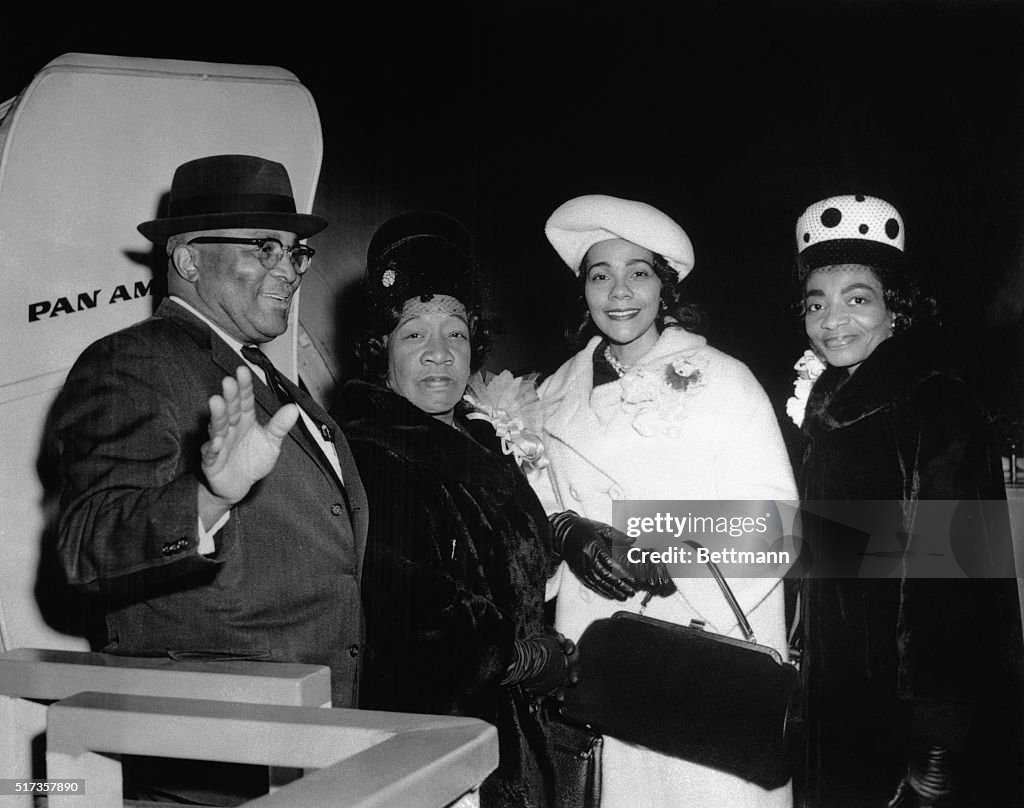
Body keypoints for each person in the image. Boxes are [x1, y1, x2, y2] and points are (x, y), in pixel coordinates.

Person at [54, 154, 368, 803]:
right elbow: (86, 545)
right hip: (208, 767)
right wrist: (210, 495)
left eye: (295, 251)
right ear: (189, 257)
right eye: (264, 247)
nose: (288, 268)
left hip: (304, 746)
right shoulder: (132, 362)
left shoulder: (274, 380)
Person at [529, 194, 798, 808]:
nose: (619, 292)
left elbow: (777, 520)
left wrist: (669, 556)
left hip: (704, 645)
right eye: (601, 276)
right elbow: (531, 504)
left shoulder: (725, 381)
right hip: (602, 645)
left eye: (638, 273)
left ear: (664, 288)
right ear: (583, 291)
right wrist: (565, 529)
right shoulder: (551, 394)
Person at [331, 210, 576, 808]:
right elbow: (407, 607)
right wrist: (518, 655)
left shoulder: (480, 436)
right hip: (439, 744)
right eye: (415, 333)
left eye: (456, 333)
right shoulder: (370, 449)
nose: (439, 354)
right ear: (379, 347)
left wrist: (568, 532)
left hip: (511, 726)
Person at [790, 193, 1024, 807]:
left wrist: (936, 755)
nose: (832, 319)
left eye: (857, 299)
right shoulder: (837, 401)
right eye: (817, 303)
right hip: (838, 698)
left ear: (897, 309)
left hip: (902, 721)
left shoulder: (936, 402)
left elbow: (959, 589)